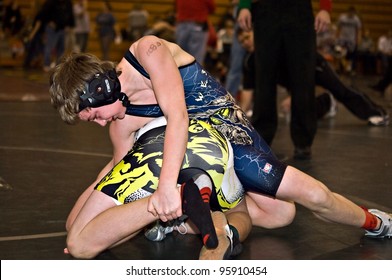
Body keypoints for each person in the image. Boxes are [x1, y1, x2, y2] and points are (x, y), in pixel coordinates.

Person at [50, 35, 391, 256]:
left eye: (93, 114)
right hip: (198, 154)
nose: (98, 122)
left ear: (102, 89)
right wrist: (79, 219)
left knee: (285, 211)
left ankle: (374, 222)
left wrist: (166, 189)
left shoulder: (147, 52)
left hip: (232, 136)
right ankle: (184, 212)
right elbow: (117, 170)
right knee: (291, 205)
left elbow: (178, 117)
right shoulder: (122, 123)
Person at [237, 0, 332, 160]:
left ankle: (303, 141)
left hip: (299, 11)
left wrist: (325, 8)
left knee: (303, 76)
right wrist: (244, 6)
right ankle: (262, 138)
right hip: (265, 10)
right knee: (263, 76)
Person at [237, 29, 389, 126]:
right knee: (299, 111)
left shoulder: (277, 45)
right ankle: (328, 102)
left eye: (247, 37)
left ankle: (376, 113)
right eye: (242, 41)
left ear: (256, 31)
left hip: (312, 66)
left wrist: (293, 95)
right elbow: (248, 90)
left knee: (340, 90)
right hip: (294, 81)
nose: (245, 42)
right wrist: (239, 119)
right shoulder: (250, 62)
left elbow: (297, 67)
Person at [175, 0, 215, 65]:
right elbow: (212, 8)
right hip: (197, 25)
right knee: (196, 59)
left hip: (182, 25)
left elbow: (176, 5)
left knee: (180, 57)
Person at [336, 6, 362, 75]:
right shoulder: (342, 18)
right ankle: (339, 68)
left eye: (353, 13)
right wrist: (336, 37)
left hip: (351, 40)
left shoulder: (356, 19)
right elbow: (338, 27)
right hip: (342, 39)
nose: (352, 14)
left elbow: (358, 30)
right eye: (351, 13)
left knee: (350, 55)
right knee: (340, 54)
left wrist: (358, 39)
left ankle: (348, 69)